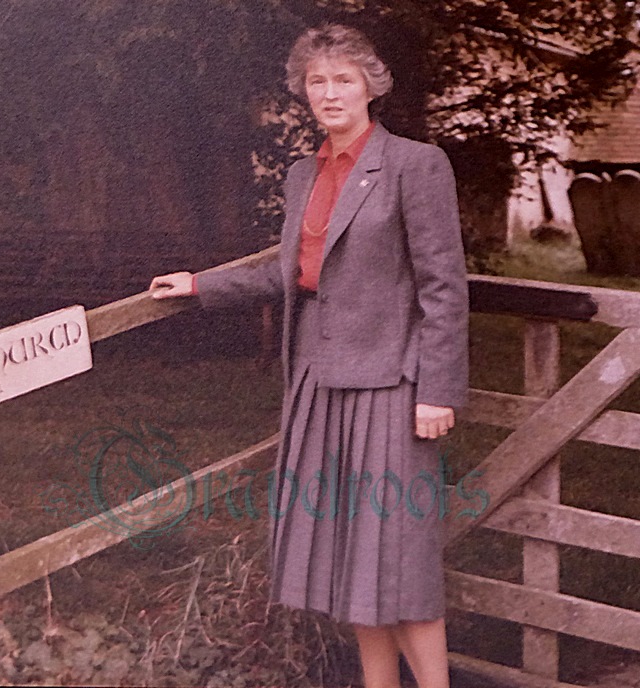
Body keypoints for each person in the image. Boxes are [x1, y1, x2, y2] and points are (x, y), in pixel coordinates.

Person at [149, 23, 468, 688]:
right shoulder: (303, 174)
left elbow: (444, 287)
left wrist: (437, 390)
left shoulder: (415, 165)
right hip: (319, 382)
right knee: (355, 555)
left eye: (343, 80)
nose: (331, 93)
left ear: (369, 88)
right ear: (304, 92)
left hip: (391, 385)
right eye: (317, 81)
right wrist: (201, 285)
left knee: (399, 559)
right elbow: (290, 270)